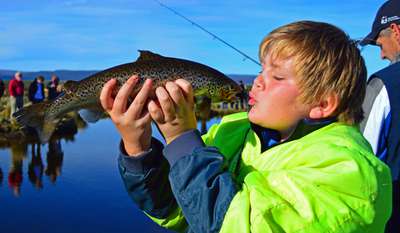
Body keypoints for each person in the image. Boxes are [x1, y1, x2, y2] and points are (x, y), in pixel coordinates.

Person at [101, 21, 392, 232]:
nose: (258, 82)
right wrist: (138, 147)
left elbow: (237, 225)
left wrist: (181, 139)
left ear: (322, 104)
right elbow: (178, 210)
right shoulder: (231, 132)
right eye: (260, 70)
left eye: (276, 77)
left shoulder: (347, 171)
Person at [359, 0, 400, 232]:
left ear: (395, 31)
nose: (382, 55)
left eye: (379, 45)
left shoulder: (383, 83)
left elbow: (362, 160)